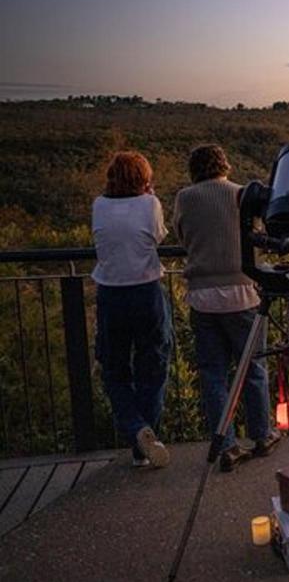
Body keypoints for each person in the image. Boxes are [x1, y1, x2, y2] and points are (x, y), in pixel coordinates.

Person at [173, 145, 281, 472]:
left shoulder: (185, 198)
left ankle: (227, 444)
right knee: (253, 367)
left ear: (194, 168)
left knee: (213, 374)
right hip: (242, 294)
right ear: (225, 166)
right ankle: (262, 435)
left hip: (203, 297)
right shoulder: (240, 195)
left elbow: (182, 237)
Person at [91, 151, 173, 468]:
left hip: (111, 293)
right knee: (153, 366)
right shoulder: (149, 204)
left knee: (114, 369)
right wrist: (150, 199)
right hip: (146, 291)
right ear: (144, 178)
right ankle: (144, 442)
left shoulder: (99, 205)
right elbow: (158, 237)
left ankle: (136, 429)